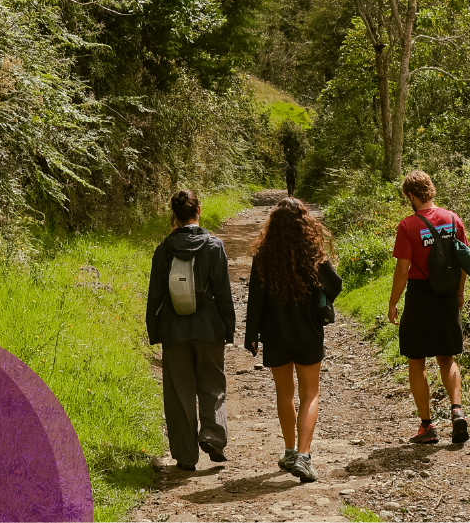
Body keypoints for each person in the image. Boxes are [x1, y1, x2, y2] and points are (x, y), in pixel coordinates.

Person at [242, 197, 344, 483]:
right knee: (310, 394)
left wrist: (252, 335)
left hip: (275, 333)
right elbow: (335, 284)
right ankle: (304, 455)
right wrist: (321, 299)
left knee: (284, 394)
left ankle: (289, 451)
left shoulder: (263, 255)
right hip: (308, 330)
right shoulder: (312, 253)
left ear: (273, 224)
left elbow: (255, 298)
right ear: (304, 223)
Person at [145, 189, 235, 471]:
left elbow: (155, 294)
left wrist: (154, 330)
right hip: (208, 328)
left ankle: (185, 456)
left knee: (178, 393)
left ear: (175, 215)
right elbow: (223, 293)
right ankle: (213, 436)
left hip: (174, 330)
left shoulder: (163, 249)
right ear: (199, 211)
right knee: (212, 384)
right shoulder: (213, 246)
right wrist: (229, 329)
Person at [385, 170, 470, 445]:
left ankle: (427, 426)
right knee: (447, 358)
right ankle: (457, 410)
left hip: (420, 295)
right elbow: (463, 261)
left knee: (416, 359)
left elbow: (402, 269)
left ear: (410, 195)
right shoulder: (453, 218)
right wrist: (459, 293)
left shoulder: (408, 225)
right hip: (446, 293)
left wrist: (393, 301)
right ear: (430, 190)